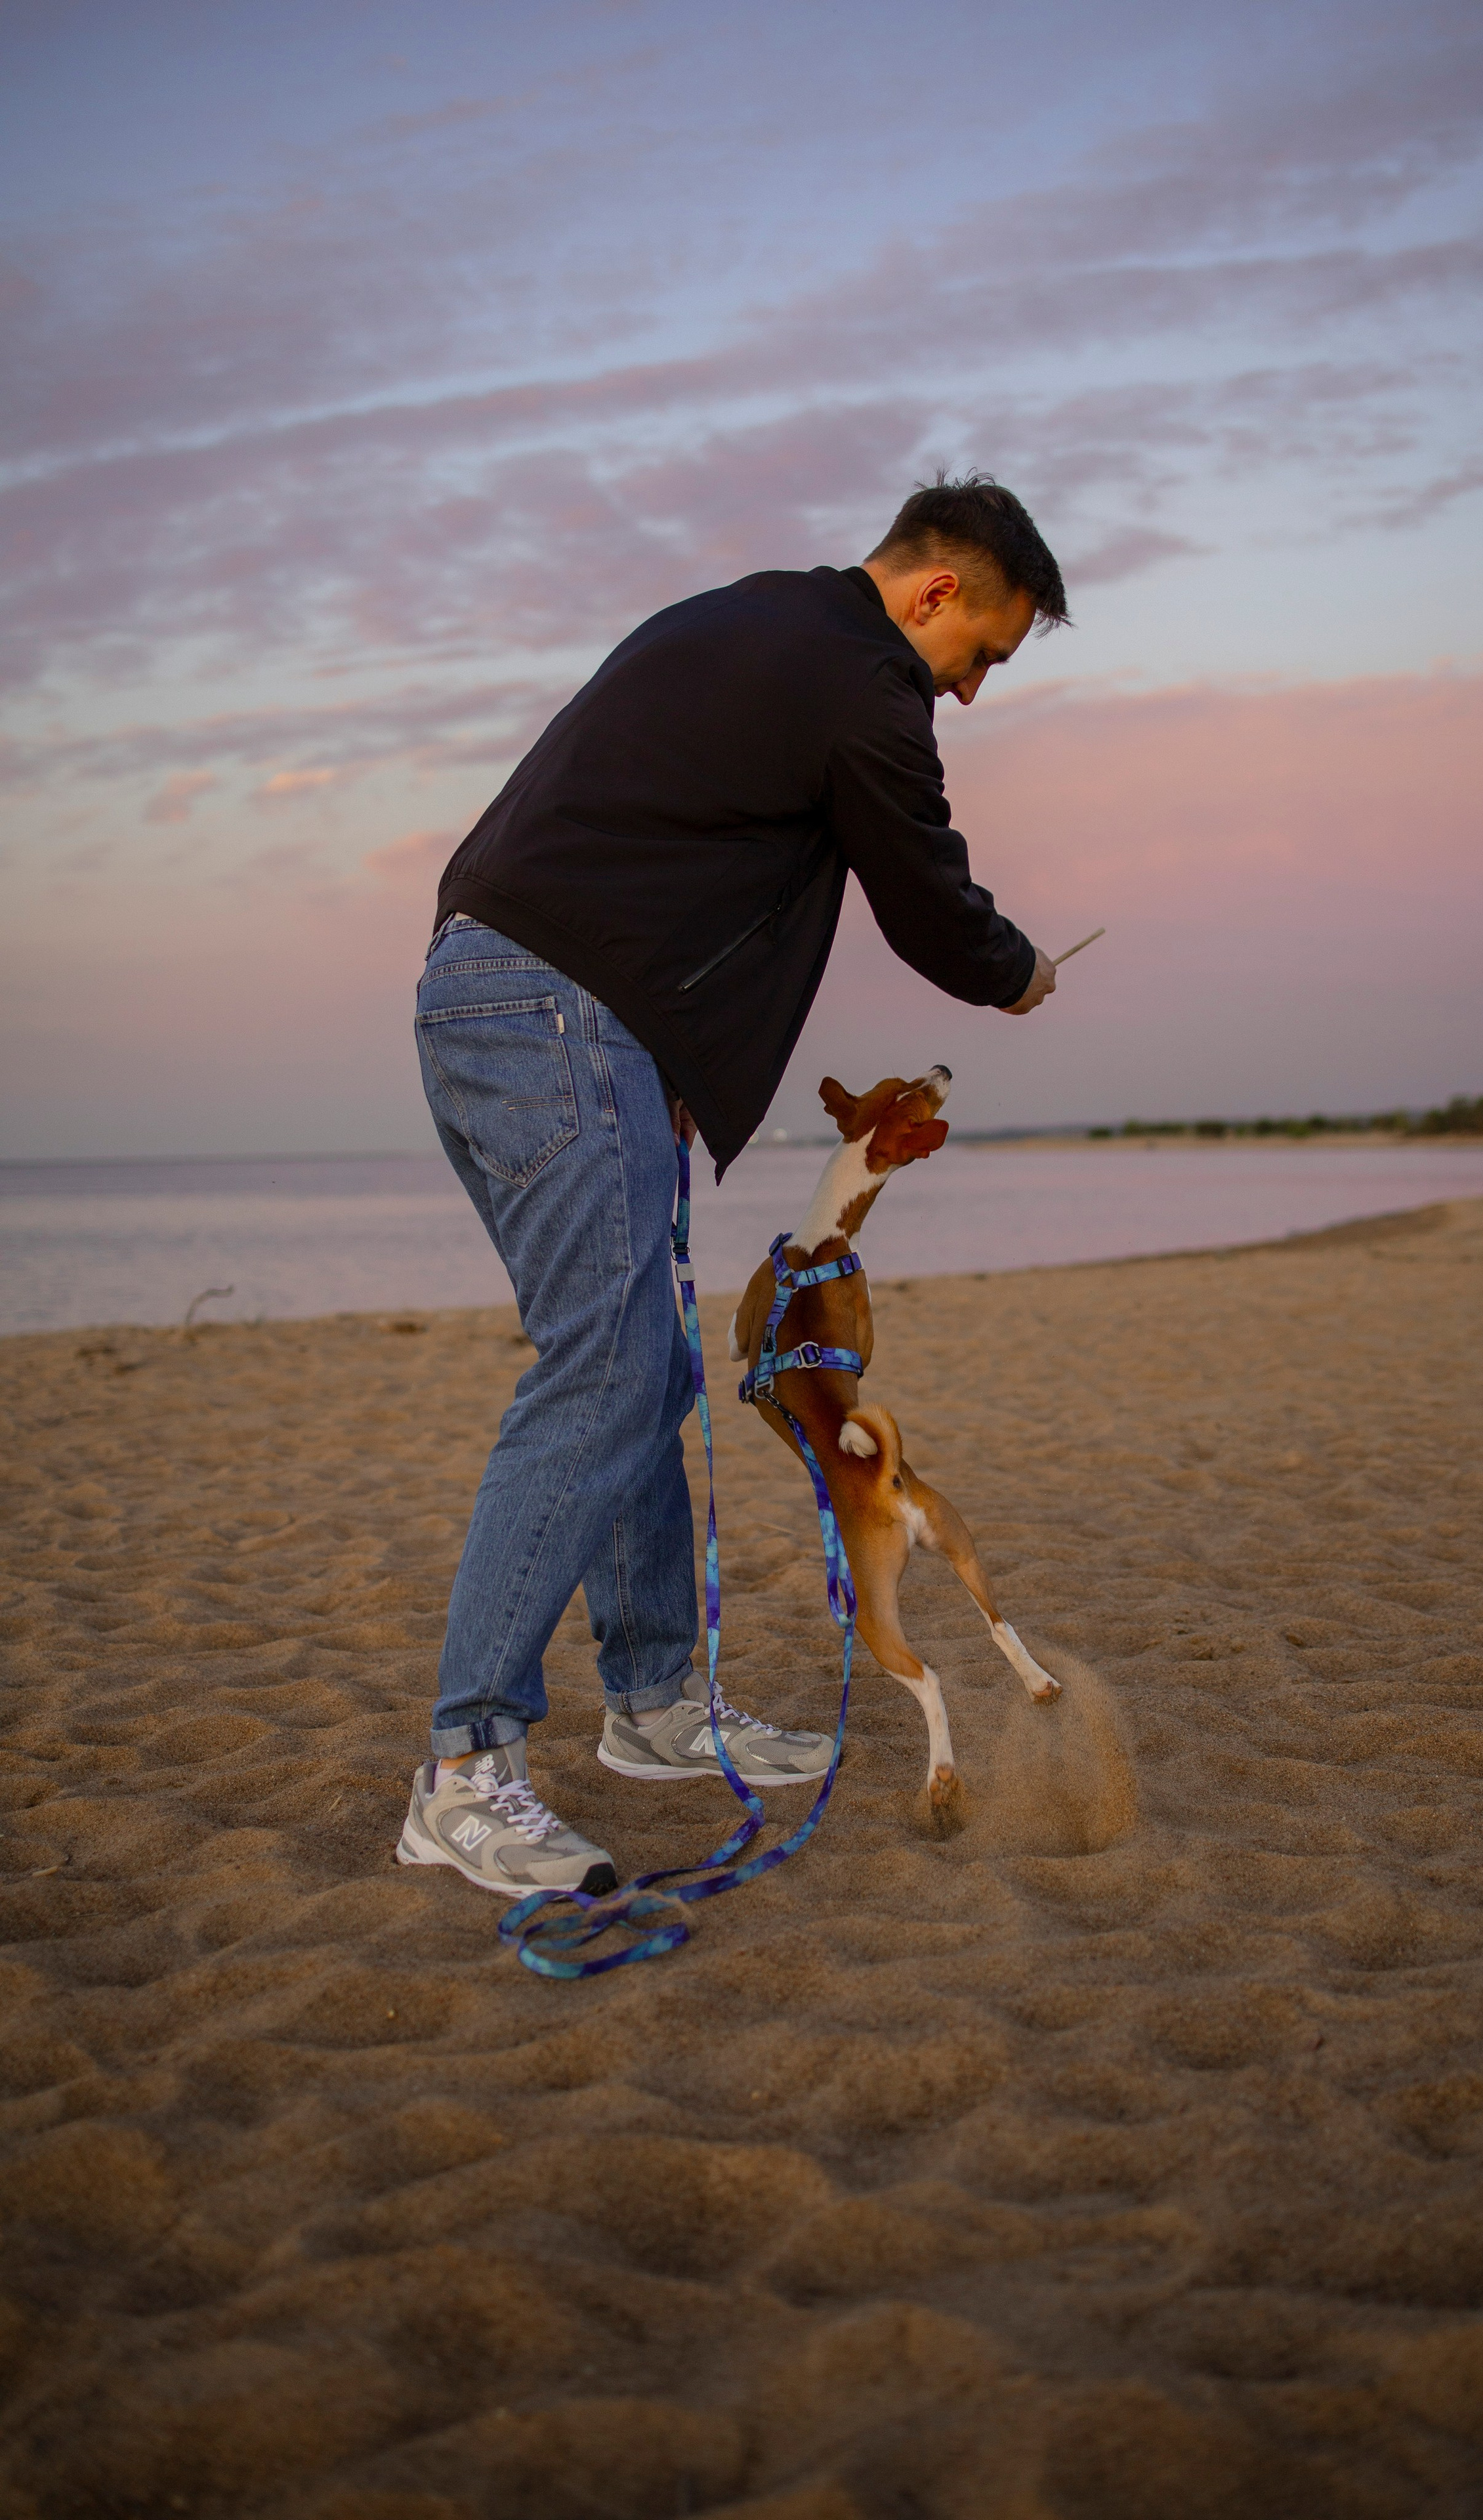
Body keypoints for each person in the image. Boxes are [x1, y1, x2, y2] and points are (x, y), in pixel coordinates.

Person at [395, 472, 1066, 1897]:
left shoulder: (750, 620)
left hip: (513, 1001)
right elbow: (927, 899)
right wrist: (1018, 972)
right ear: (937, 593)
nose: (966, 692)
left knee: (640, 1368)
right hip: (558, 1018)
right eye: (983, 656)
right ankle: (464, 1771)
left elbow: (649, 832)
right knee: (602, 1377)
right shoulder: (859, 681)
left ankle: (649, 1707)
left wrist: (661, 1052)